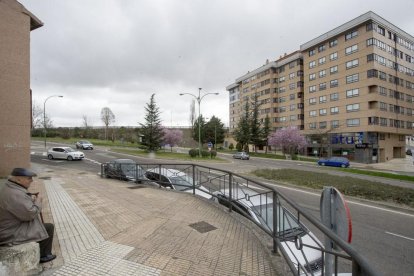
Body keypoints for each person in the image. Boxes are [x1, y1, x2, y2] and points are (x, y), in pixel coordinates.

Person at [0, 168, 56, 263]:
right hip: (11, 233)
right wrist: (38, 201)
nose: (31, 181)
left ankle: (43, 252)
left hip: (11, 226)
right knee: (48, 227)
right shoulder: (15, 194)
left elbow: (21, 204)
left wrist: (29, 198)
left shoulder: (10, 187)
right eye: (29, 178)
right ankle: (44, 255)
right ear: (18, 179)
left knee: (44, 227)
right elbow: (31, 214)